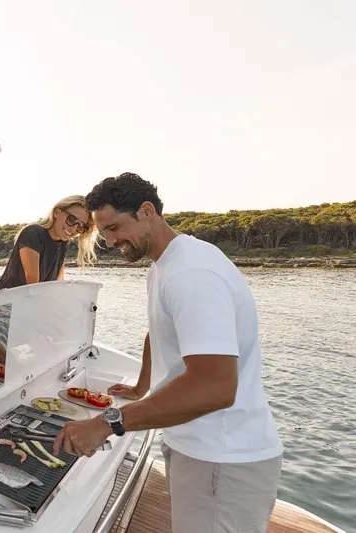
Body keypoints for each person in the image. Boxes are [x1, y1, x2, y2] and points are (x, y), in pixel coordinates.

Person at [54, 173, 283, 533]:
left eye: (115, 227)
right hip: (196, 446)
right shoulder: (165, 265)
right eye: (104, 232)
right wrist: (142, 386)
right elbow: (159, 329)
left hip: (221, 459)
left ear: (147, 211)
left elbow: (215, 387)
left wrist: (107, 423)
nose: (111, 241)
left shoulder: (192, 274)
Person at [0, 195, 97, 363]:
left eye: (81, 227)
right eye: (72, 219)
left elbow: (58, 284)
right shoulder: (33, 233)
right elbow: (32, 283)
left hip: (26, 301)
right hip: (2, 296)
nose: (74, 229)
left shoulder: (63, 243)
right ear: (57, 212)